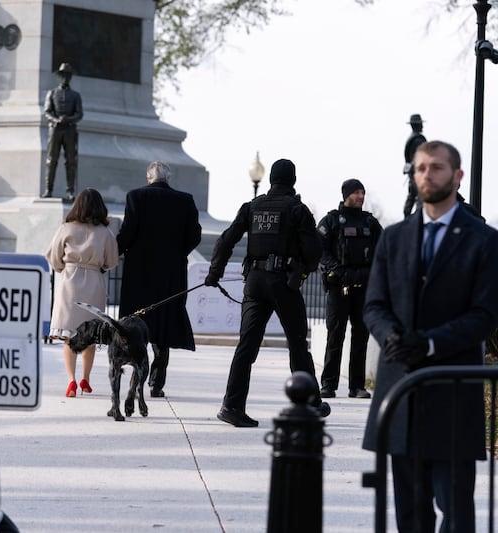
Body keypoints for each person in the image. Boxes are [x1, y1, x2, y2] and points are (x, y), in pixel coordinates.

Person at [362, 140, 498, 532]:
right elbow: (374, 305)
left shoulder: (484, 240)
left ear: (457, 176)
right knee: (410, 513)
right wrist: (391, 337)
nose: (426, 175)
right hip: (400, 390)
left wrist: (432, 342)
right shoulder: (394, 237)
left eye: (436, 167)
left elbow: (485, 315)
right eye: (420, 168)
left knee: (455, 512)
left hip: (454, 391)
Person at [204, 158, 330, 427]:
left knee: (246, 345)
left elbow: (226, 240)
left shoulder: (252, 207)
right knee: (297, 343)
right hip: (283, 283)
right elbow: (314, 250)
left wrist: (214, 274)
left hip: (255, 282)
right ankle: (310, 403)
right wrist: (303, 270)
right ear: (293, 181)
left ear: (271, 179)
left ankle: (232, 406)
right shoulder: (297, 209)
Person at [116, 161, 201, 397]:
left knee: (136, 326)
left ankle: (136, 380)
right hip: (171, 275)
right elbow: (194, 236)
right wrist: (176, 253)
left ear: (148, 178)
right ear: (168, 179)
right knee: (163, 329)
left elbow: (127, 234)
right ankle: (156, 383)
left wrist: (111, 254)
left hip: (139, 274)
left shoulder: (136, 197)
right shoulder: (185, 200)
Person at [45, 188, 119, 397]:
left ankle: (71, 381)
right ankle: (86, 378)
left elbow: (53, 256)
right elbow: (112, 260)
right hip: (94, 282)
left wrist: (64, 268)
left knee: (70, 335)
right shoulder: (105, 232)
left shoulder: (66, 228)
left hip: (69, 282)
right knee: (91, 335)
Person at [317, 178, 382, 399]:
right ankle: (328, 384)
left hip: (364, 288)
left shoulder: (370, 223)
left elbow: (383, 250)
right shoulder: (332, 221)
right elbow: (320, 249)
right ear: (346, 195)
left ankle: (357, 386)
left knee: (361, 337)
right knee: (335, 335)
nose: (361, 197)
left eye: (363, 192)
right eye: (357, 193)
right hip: (338, 287)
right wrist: (336, 270)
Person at [42, 62, 83, 201]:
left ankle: (70, 191)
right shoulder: (52, 93)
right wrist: (55, 120)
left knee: (70, 161)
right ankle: (48, 189)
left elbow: (79, 114)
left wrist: (68, 119)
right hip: (55, 130)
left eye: (68, 75)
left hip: (70, 129)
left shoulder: (76, 95)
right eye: (63, 75)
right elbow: (47, 112)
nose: (66, 78)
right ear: (60, 76)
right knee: (51, 160)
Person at [402, 113, 427, 218]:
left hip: (413, 173)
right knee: (420, 197)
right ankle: (416, 218)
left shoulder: (411, 139)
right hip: (418, 173)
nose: (422, 126)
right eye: (420, 124)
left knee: (412, 196)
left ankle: (407, 216)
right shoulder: (419, 140)